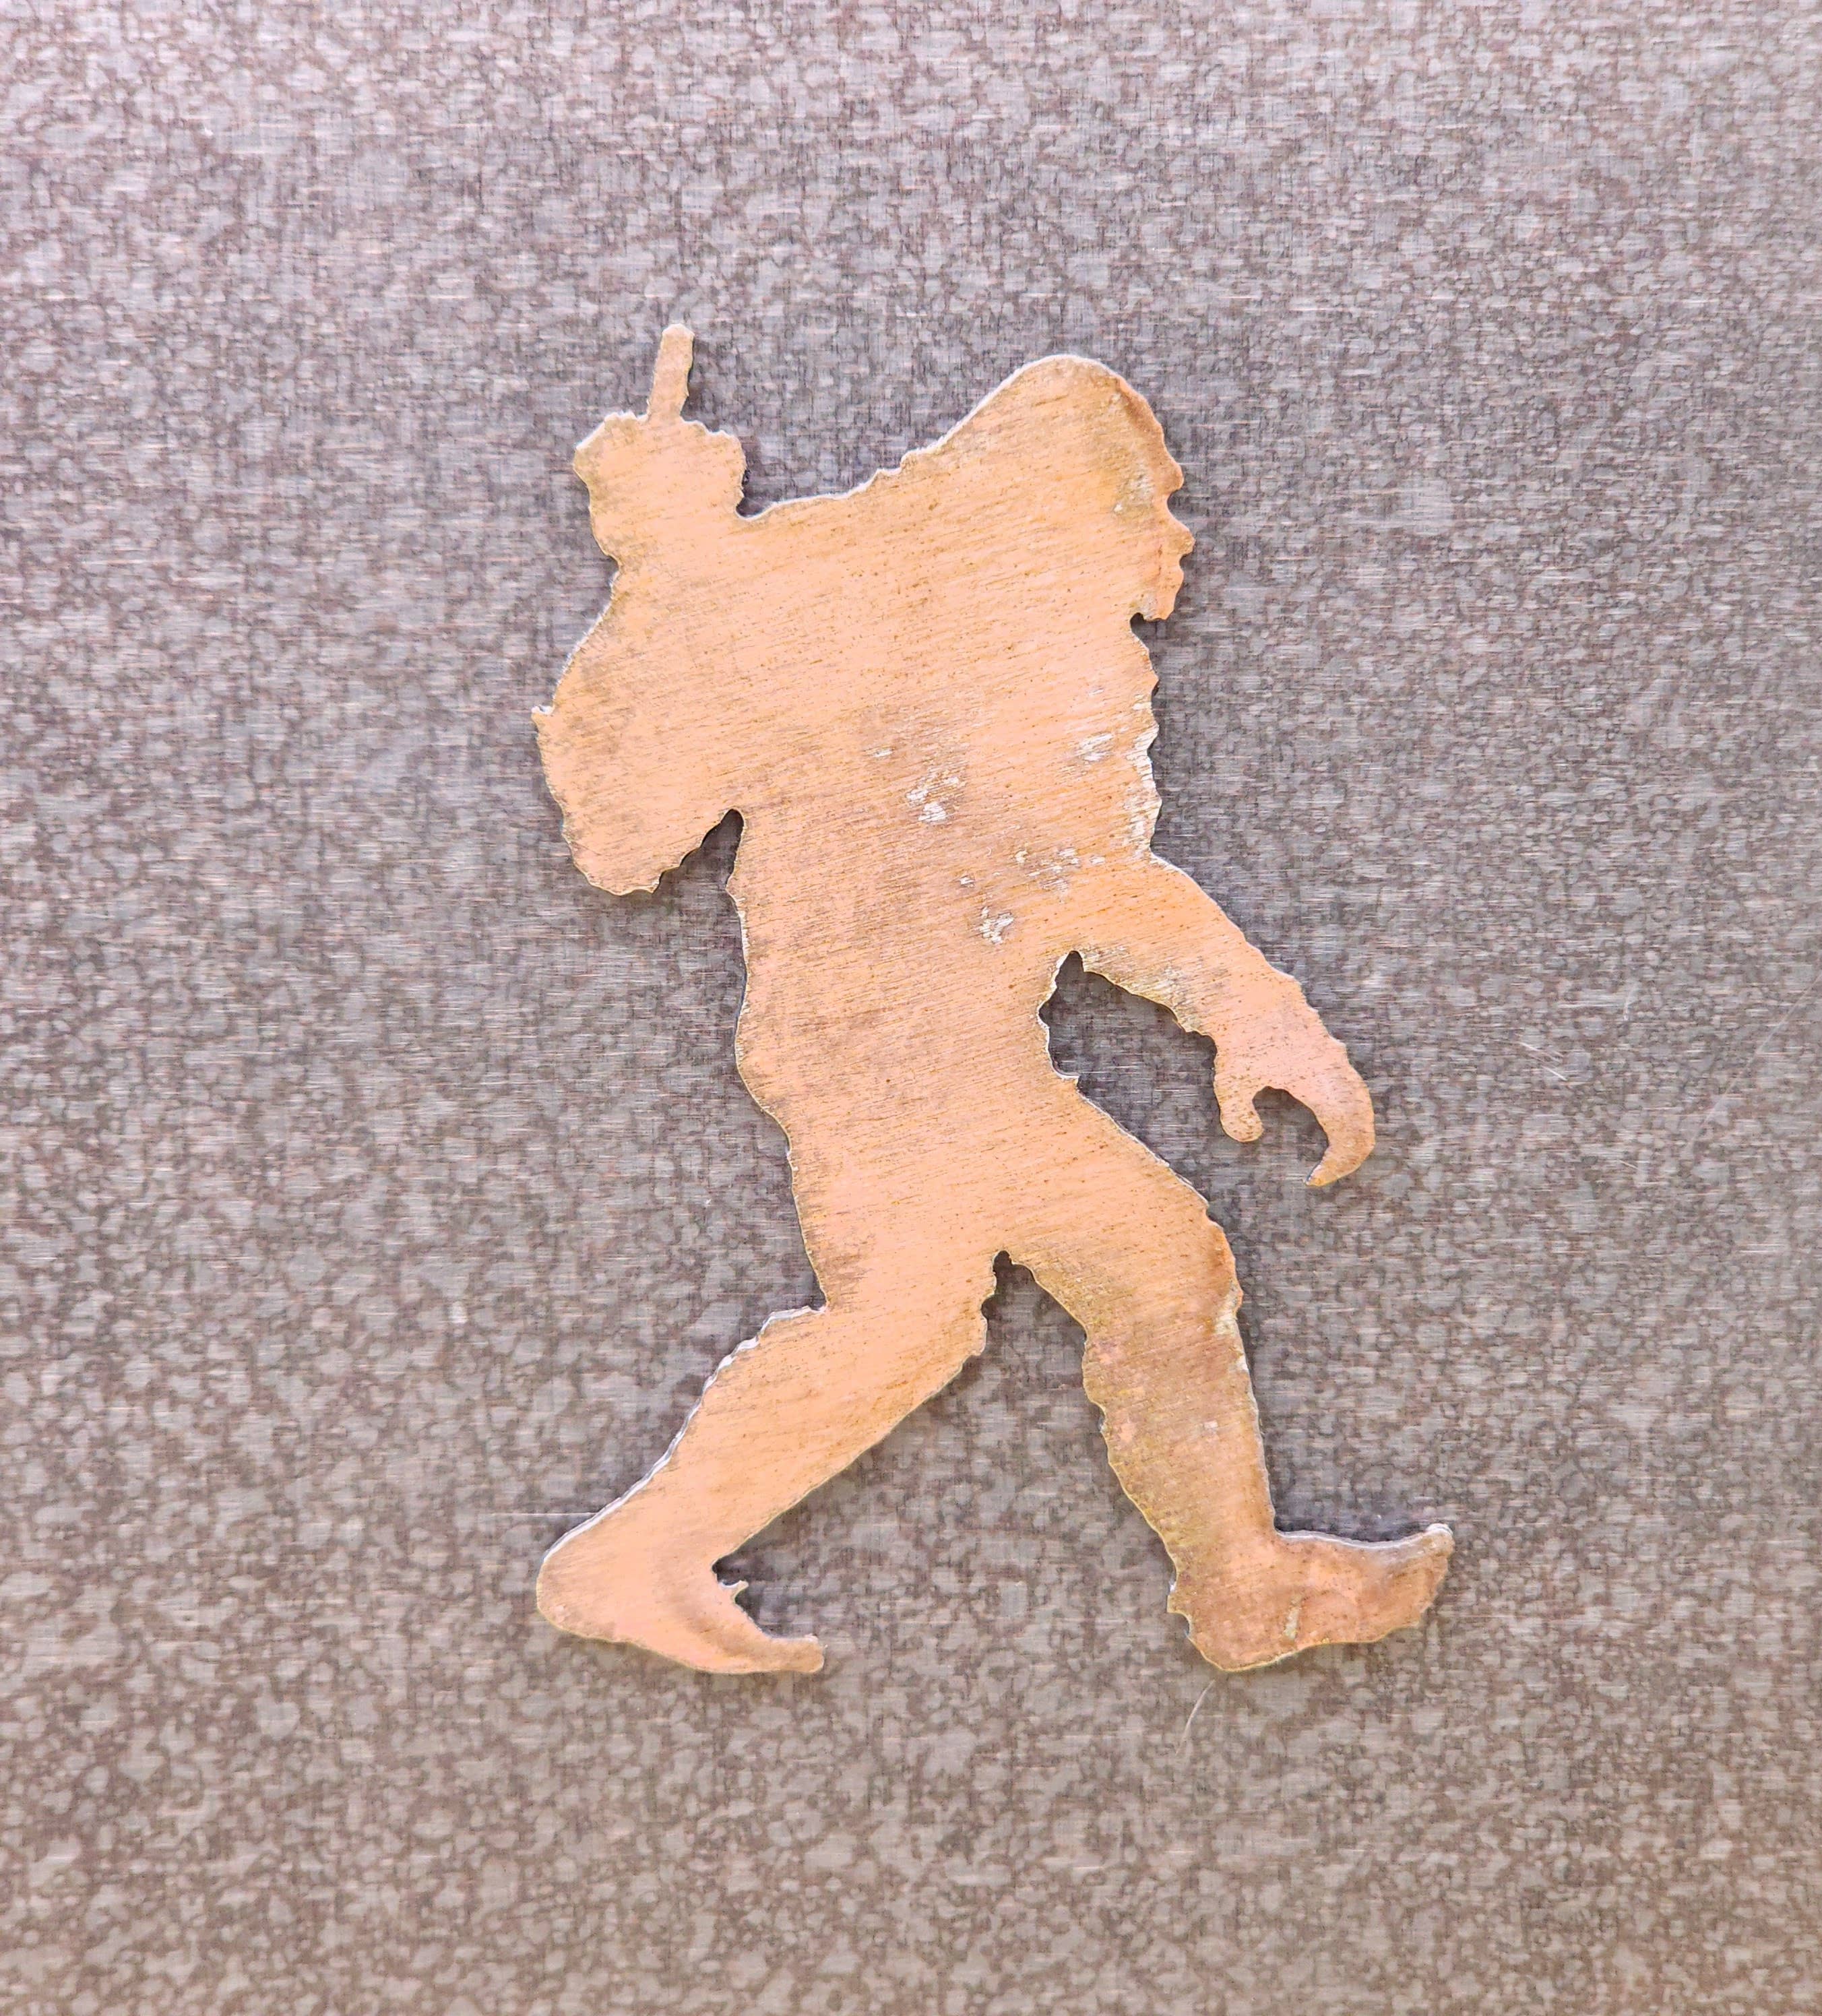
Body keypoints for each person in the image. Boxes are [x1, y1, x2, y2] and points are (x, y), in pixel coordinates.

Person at [532, 327, 1451, 1674]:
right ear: (1053, 509)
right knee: (918, 1320)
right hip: (870, 1058)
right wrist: (664, 562)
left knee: (1149, 1271)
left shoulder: (1042, 668)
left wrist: (1256, 1014)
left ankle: (1245, 1587)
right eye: (1150, 501)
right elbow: (620, 832)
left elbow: (1090, 879)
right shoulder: (815, 610)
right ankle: (625, 1561)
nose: (1177, 540)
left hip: (968, 1057)